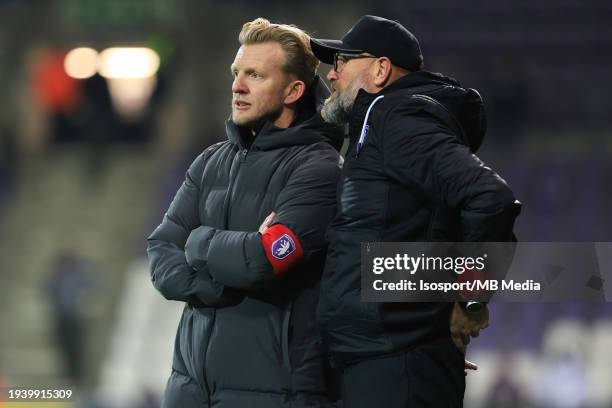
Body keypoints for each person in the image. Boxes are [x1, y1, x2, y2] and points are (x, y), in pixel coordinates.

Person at [310, 15, 521, 407]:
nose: (332, 74)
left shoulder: (398, 118)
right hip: (384, 358)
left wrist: (471, 300)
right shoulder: (381, 123)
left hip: (398, 364)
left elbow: (491, 198)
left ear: (380, 69)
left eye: (341, 61)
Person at [147, 18, 343, 408]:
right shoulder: (210, 161)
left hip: (275, 395)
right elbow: (161, 253)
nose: (237, 86)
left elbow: (262, 262)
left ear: (293, 90)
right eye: (237, 73)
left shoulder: (319, 167)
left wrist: (199, 241)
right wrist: (218, 283)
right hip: (188, 393)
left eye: (255, 75)